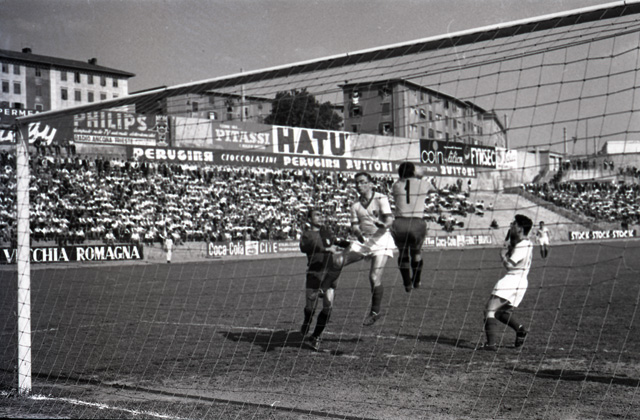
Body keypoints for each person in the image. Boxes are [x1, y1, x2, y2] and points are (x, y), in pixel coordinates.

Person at [333, 172, 395, 326]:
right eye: (357, 183)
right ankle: (326, 288)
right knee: (338, 261)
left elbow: (389, 219)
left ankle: (375, 312)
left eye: (362, 182)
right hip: (364, 241)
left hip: (381, 240)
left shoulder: (381, 198)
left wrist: (384, 225)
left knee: (374, 277)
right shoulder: (355, 205)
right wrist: (358, 234)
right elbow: (354, 226)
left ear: (371, 184)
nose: (359, 185)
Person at [480, 214, 533, 351]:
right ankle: (520, 330)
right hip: (521, 282)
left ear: (520, 228)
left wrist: (503, 255)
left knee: (489, 310)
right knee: (499, 313)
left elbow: (509, 265)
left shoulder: (522, 246)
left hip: (512, 280)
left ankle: (491, 344)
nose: (511, 225)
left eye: (514, 224)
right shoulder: (528, 243)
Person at [299, 208, 346, 351]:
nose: (320, 217)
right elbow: (305, 248)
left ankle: (315, 336)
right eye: (317, 215)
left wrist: (354, 244)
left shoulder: (326, 232)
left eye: (321, 215)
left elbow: (336, 242)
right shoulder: (307, 235)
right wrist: (325, 249)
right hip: (314, 273)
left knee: (328, 306)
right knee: (310, 308)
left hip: (328, 274)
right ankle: (307, 321)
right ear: (309, 219)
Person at [390, 161, 433, 292]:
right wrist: (420, 175)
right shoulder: (424, 184)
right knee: (416, 252)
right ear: (413, 171)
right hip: (416, 222)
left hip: (400, 223)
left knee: (403, 252)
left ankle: (407, 283)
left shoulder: (396, 185)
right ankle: (417, 280)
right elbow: (434, 189)